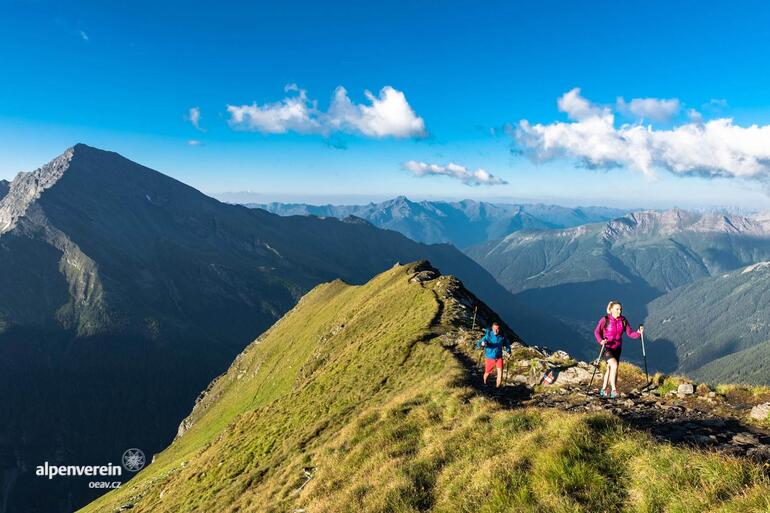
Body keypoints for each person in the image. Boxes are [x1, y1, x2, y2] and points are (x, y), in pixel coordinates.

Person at [593, 300, 644, 398]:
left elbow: (630, 333)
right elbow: (596, 331)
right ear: (611, 309)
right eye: (617, 309)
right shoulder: (605, 319)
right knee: (614, 365)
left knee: (610, 368)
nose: (619, 311)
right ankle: (614, 390)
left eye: (620, 309)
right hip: (606, 347)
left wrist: (638, 333)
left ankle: (603, 389)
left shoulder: (623, 320)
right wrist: (601, 341)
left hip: (617, 348)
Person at [477, 322, 511, 388]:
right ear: (492, 328)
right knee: (487, 372)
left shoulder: (502, 336)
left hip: (499, 357)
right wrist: (482, 343)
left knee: (500, 373)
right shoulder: (488, 335)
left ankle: (497, 388)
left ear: (499, 329)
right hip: (490, 357)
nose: (496, 330)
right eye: (494, 329)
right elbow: (480, 342)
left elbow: (507, 344)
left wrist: (508, 351)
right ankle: (484, 382)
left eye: (497, 329)